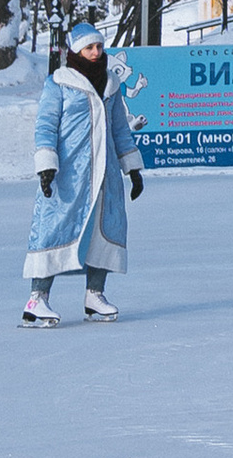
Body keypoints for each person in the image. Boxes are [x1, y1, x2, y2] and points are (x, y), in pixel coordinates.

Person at [23, 18, 146, 324]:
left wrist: (132, 168)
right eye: (89, 47)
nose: (95, 52)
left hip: (105, 174)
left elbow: (120, 129)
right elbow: (46, 126)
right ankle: (37, 299)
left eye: (99, 46)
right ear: (76, 50)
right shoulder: (59, 83)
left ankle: (95, 295)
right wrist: (47, 166)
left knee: (105, 228)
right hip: (69, 174)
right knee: (54, 229)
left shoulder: (111, 85)